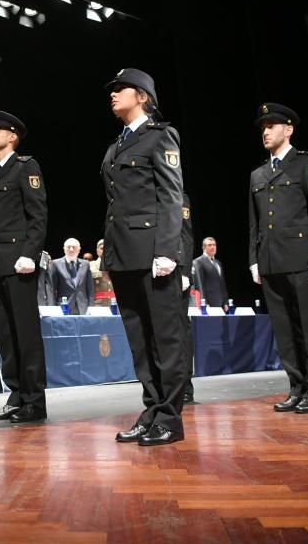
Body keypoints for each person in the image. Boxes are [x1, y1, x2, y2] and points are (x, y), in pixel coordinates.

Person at [102, 68, 188, 446]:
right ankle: (152, 409)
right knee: (139, 340)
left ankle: (170, 417)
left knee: (165, 338)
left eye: (121, 89)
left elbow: (172, 196)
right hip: (124, 255)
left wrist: (167, 250)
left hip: (154, 253)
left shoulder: (160, 136)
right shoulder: (115, 146)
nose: (113, 94)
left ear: (143, 96)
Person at [248, 103, 308, 414]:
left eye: (272, 125)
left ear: (289, 129)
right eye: (263, 127)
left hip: (301, 260)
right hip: (270, 262)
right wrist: (254, 259)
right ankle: (296, 387)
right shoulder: (258, 174)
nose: (266, 131)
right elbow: (254, 223)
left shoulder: (307, 164)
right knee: (284, 331)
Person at [0, 110, 48, 424]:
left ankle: (35, 400)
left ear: (12, 136)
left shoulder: (25, 167)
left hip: (18, 263)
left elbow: (38, 215)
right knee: (5, 335)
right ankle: (17, 395)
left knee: (26, 333)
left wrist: (29, 254)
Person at [179, 193, 195, 404]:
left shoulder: (178, 195)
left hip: (175, 270)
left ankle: (185, 385)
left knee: (180, 329)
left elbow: (185, 235)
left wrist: (184, 272)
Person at [49, 238, 95, 314]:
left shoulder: (85, 264)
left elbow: (90, 288)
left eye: (74, 247)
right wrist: (52, 309)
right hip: (63, 307)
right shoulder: (55, 264)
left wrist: (91, 307)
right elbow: (52, 289)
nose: (71, 249)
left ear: (79, 249)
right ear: (64, 249)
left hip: (83, 307)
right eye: (68, 247)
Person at [192, 237, 230, 309]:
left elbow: (222, 284)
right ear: (204, 247)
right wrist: (204, 303)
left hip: (221, 303)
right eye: (209, 245)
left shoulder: (218, 263)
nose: (213, 247)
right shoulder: (198, 262)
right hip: (209, 303)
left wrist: (225, 302)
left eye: (214, 245)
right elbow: (200, 285)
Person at [90, 240, 115, 306]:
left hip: (116, 303)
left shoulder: (118, 265)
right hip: (98, 304)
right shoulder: (90, 265)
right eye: (102, 248)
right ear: (97, 250)